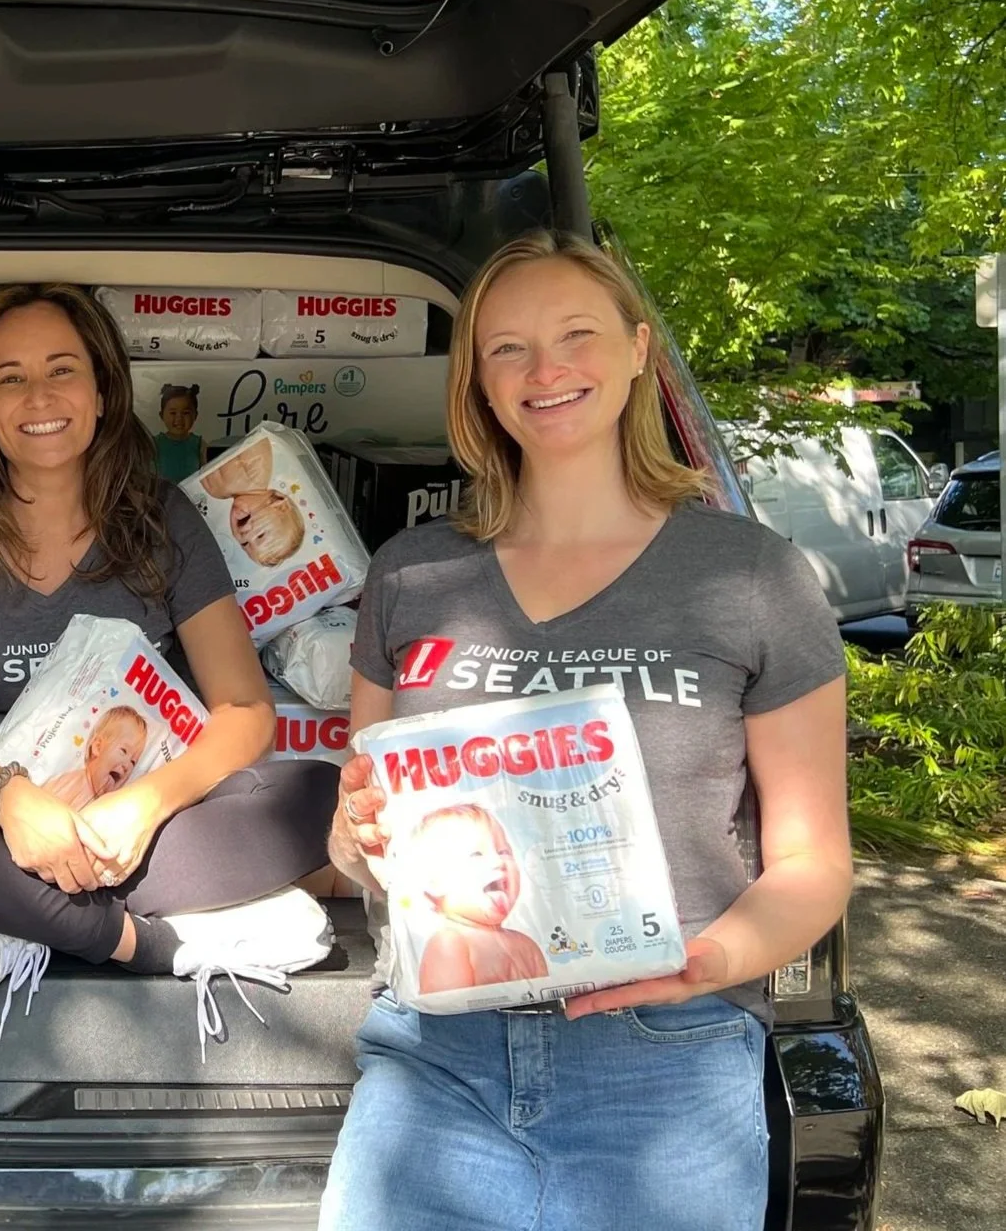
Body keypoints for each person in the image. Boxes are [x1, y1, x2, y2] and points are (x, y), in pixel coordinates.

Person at [318, 233, 850, 1231]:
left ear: (640, 347)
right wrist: (360, 834)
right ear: (476, 378)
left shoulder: (750, 576)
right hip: (437, 1058)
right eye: (507, 347)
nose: (545, 369)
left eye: (576, 334)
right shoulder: (412, 572)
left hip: (669, 1062)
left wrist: (708, 958)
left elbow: (815, 863)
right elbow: (355, 842)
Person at [0, 283, 339, 1015]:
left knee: (318, 796)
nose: (40, 396)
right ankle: (141, 943)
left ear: (100, 391)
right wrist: (11, 801)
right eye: (10, 378)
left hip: (135, 830)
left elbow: (247, 710)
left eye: (62, 369)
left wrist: (146, 805)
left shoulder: (161, 516)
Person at [403, 804, 548, 995]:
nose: (498, 862)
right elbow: (449, 1016)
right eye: (476, 854)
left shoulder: (527, 945)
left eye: (504, 851)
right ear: (435, 883)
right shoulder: (450, 944)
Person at [197, 443, 304, 567]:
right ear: (280, 505)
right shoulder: (258, 468)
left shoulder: (216, 494)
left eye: (245, 544)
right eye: (260, 535)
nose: (245, 534)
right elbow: (253, 437)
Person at [41, 706, 150, 809]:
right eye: (123, 751)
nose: (127, 765)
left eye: (133, 762)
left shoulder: (103, 805)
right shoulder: (76, 783)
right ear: (97, 747)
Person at [153, 383, 206, 482]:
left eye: (185, 413)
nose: (179, 418)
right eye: (173, 413)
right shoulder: (153, 444)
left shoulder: (199, 445)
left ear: (195, 415)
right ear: (161, 415)